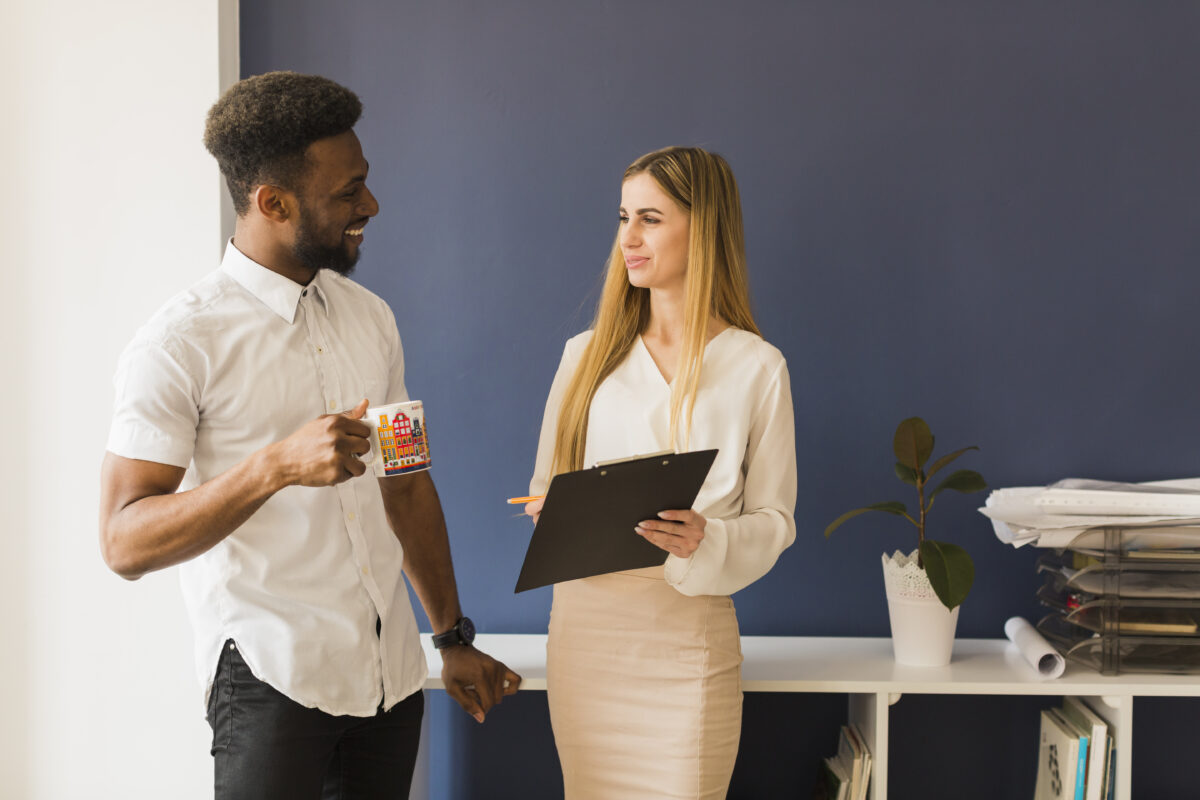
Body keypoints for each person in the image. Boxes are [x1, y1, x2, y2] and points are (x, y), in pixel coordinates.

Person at [99, 71, 520, 800]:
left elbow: (408, 481)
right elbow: (123, 542)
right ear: (272, 202)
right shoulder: (178, 343)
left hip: (387, 682)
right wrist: (273, 468)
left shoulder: (372, 318)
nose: (371, 205)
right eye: (348, 192)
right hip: (271, 682)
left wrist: (451, 639)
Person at [526, 146, 797, 798]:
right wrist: (552, 510)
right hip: (587, 643)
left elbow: (775, 520)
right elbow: (542, 485)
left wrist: (711, 539)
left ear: (702, 228)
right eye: (624, 218)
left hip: (688, 646)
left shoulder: (758, 368)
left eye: (650, 217)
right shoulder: (583, 359)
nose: (629, 238)